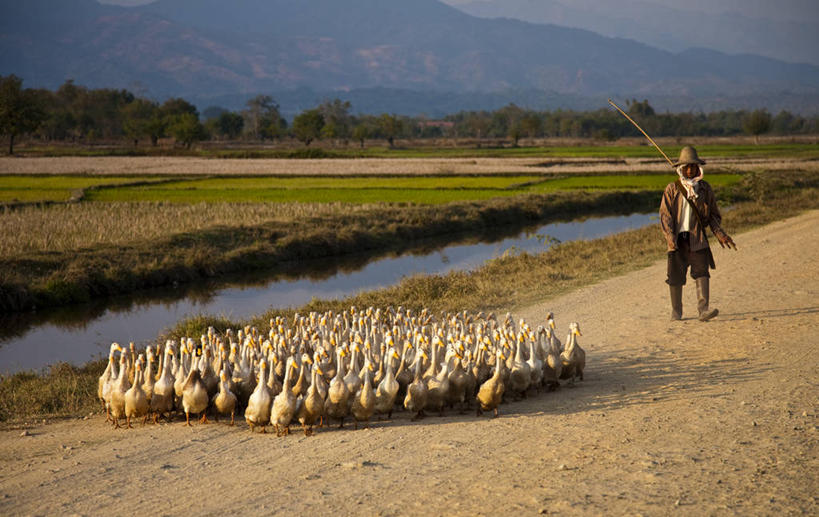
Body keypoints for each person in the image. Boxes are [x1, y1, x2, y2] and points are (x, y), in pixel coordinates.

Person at [659, 146, 736, 321]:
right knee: (675, 277)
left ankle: (703, 310)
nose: (690, 169)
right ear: (681, 168)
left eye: (693, 166)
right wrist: (670, 238)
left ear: (698, 168)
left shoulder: (704, 189)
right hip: (678, 240)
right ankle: (676, 312)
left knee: (702, 271)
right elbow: (665, 216)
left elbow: (713, 216)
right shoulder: (672, 189)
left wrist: (720, 233)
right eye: (687, 166)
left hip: (697, 238)